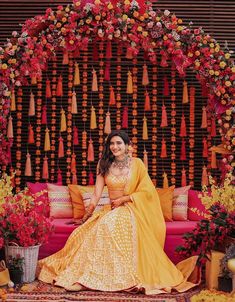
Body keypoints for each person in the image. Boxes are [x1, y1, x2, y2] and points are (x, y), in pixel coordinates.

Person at [38, 130, 200, 295]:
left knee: (108, 226)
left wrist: (125, 198)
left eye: (119, 143)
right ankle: (85, 276)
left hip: (131, 209)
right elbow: (96, 194)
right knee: (82, 233)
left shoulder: (137, 164)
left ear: (128, 146)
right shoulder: (104, 164)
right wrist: (87, 214)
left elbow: (148, 192)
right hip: (112, 210)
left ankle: (105, 278)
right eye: (112, 144)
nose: (115, 147)